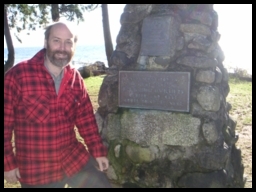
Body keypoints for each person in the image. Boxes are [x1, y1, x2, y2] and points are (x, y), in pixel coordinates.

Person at [4, 21, 112, 188]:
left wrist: (97, 151)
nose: (62, 48)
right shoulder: (18, 75)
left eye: (68, 42)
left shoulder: (75, 79)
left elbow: (86, 121)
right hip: (37, 170)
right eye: (56, 40)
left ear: (73, 46)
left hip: (72, 159)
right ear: (46, 42)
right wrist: (8, 164)